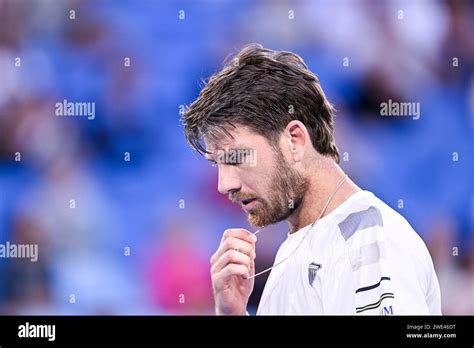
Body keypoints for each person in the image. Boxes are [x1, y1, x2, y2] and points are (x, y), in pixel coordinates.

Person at [181, 44, 441, 315]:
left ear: (294, 140)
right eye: (218, 164)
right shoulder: (294, 251)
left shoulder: (369, 241)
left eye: (237, 157)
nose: (225, 184)